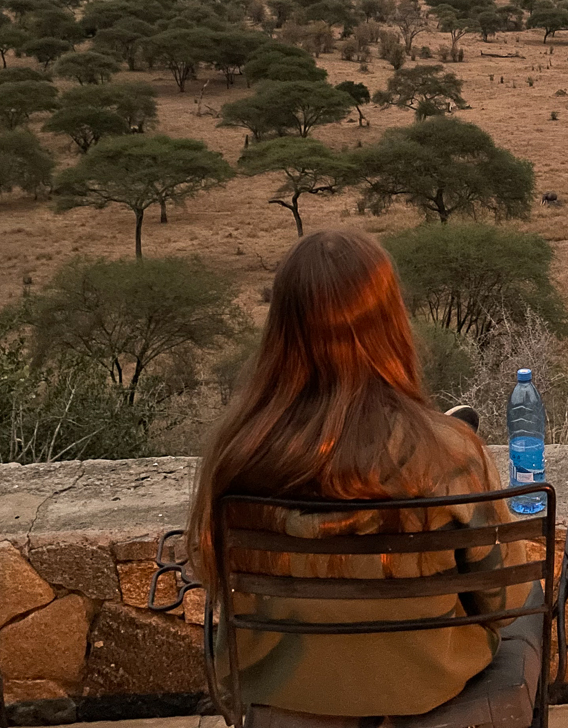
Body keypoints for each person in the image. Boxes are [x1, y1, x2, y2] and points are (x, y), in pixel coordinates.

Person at [187, 228, 531, 718]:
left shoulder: (237, 451)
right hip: (424, 683)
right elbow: (503, 599)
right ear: (390, 322)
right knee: (532, 595)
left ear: (282, 328)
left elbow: (214, 576)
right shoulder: (450, 452)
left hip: (278, 688)